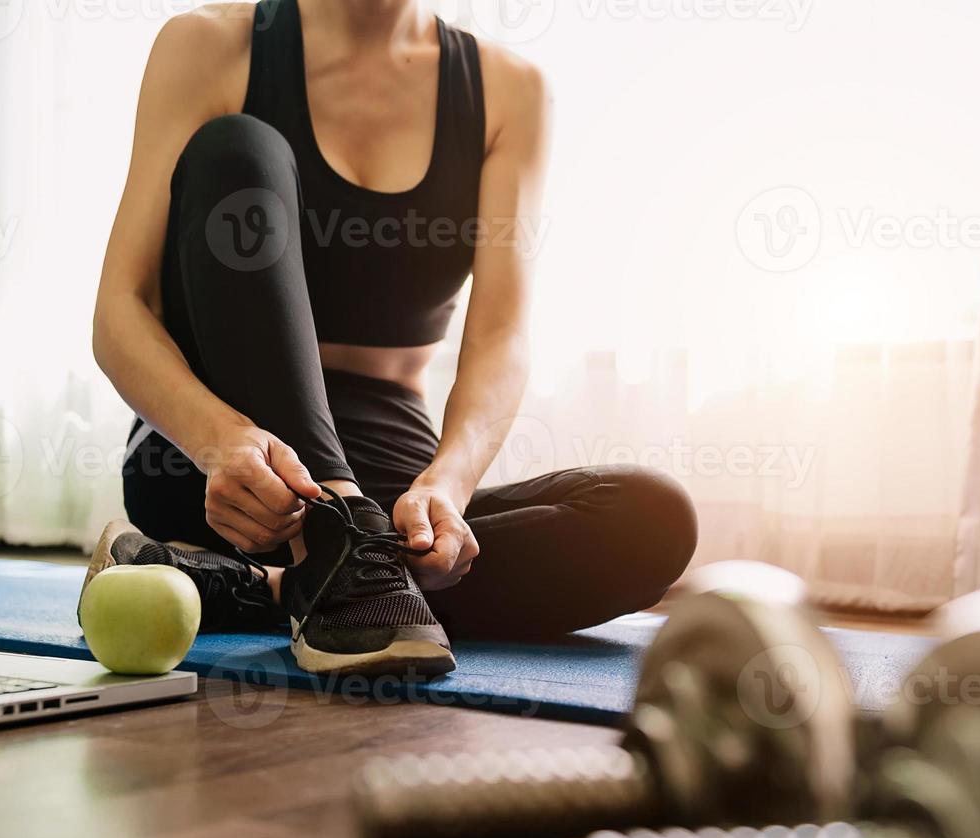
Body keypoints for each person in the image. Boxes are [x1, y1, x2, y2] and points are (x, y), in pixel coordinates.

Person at [87, 0, 697, 677]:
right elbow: (120, 312)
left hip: (387, 485)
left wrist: (450, 483)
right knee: (238, 147)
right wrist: (218, 440)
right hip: (234, 473)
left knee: (654, 519)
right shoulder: (209, 45)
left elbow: (501, 335)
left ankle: (269, 588)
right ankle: (338, 559)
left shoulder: (507, 89)